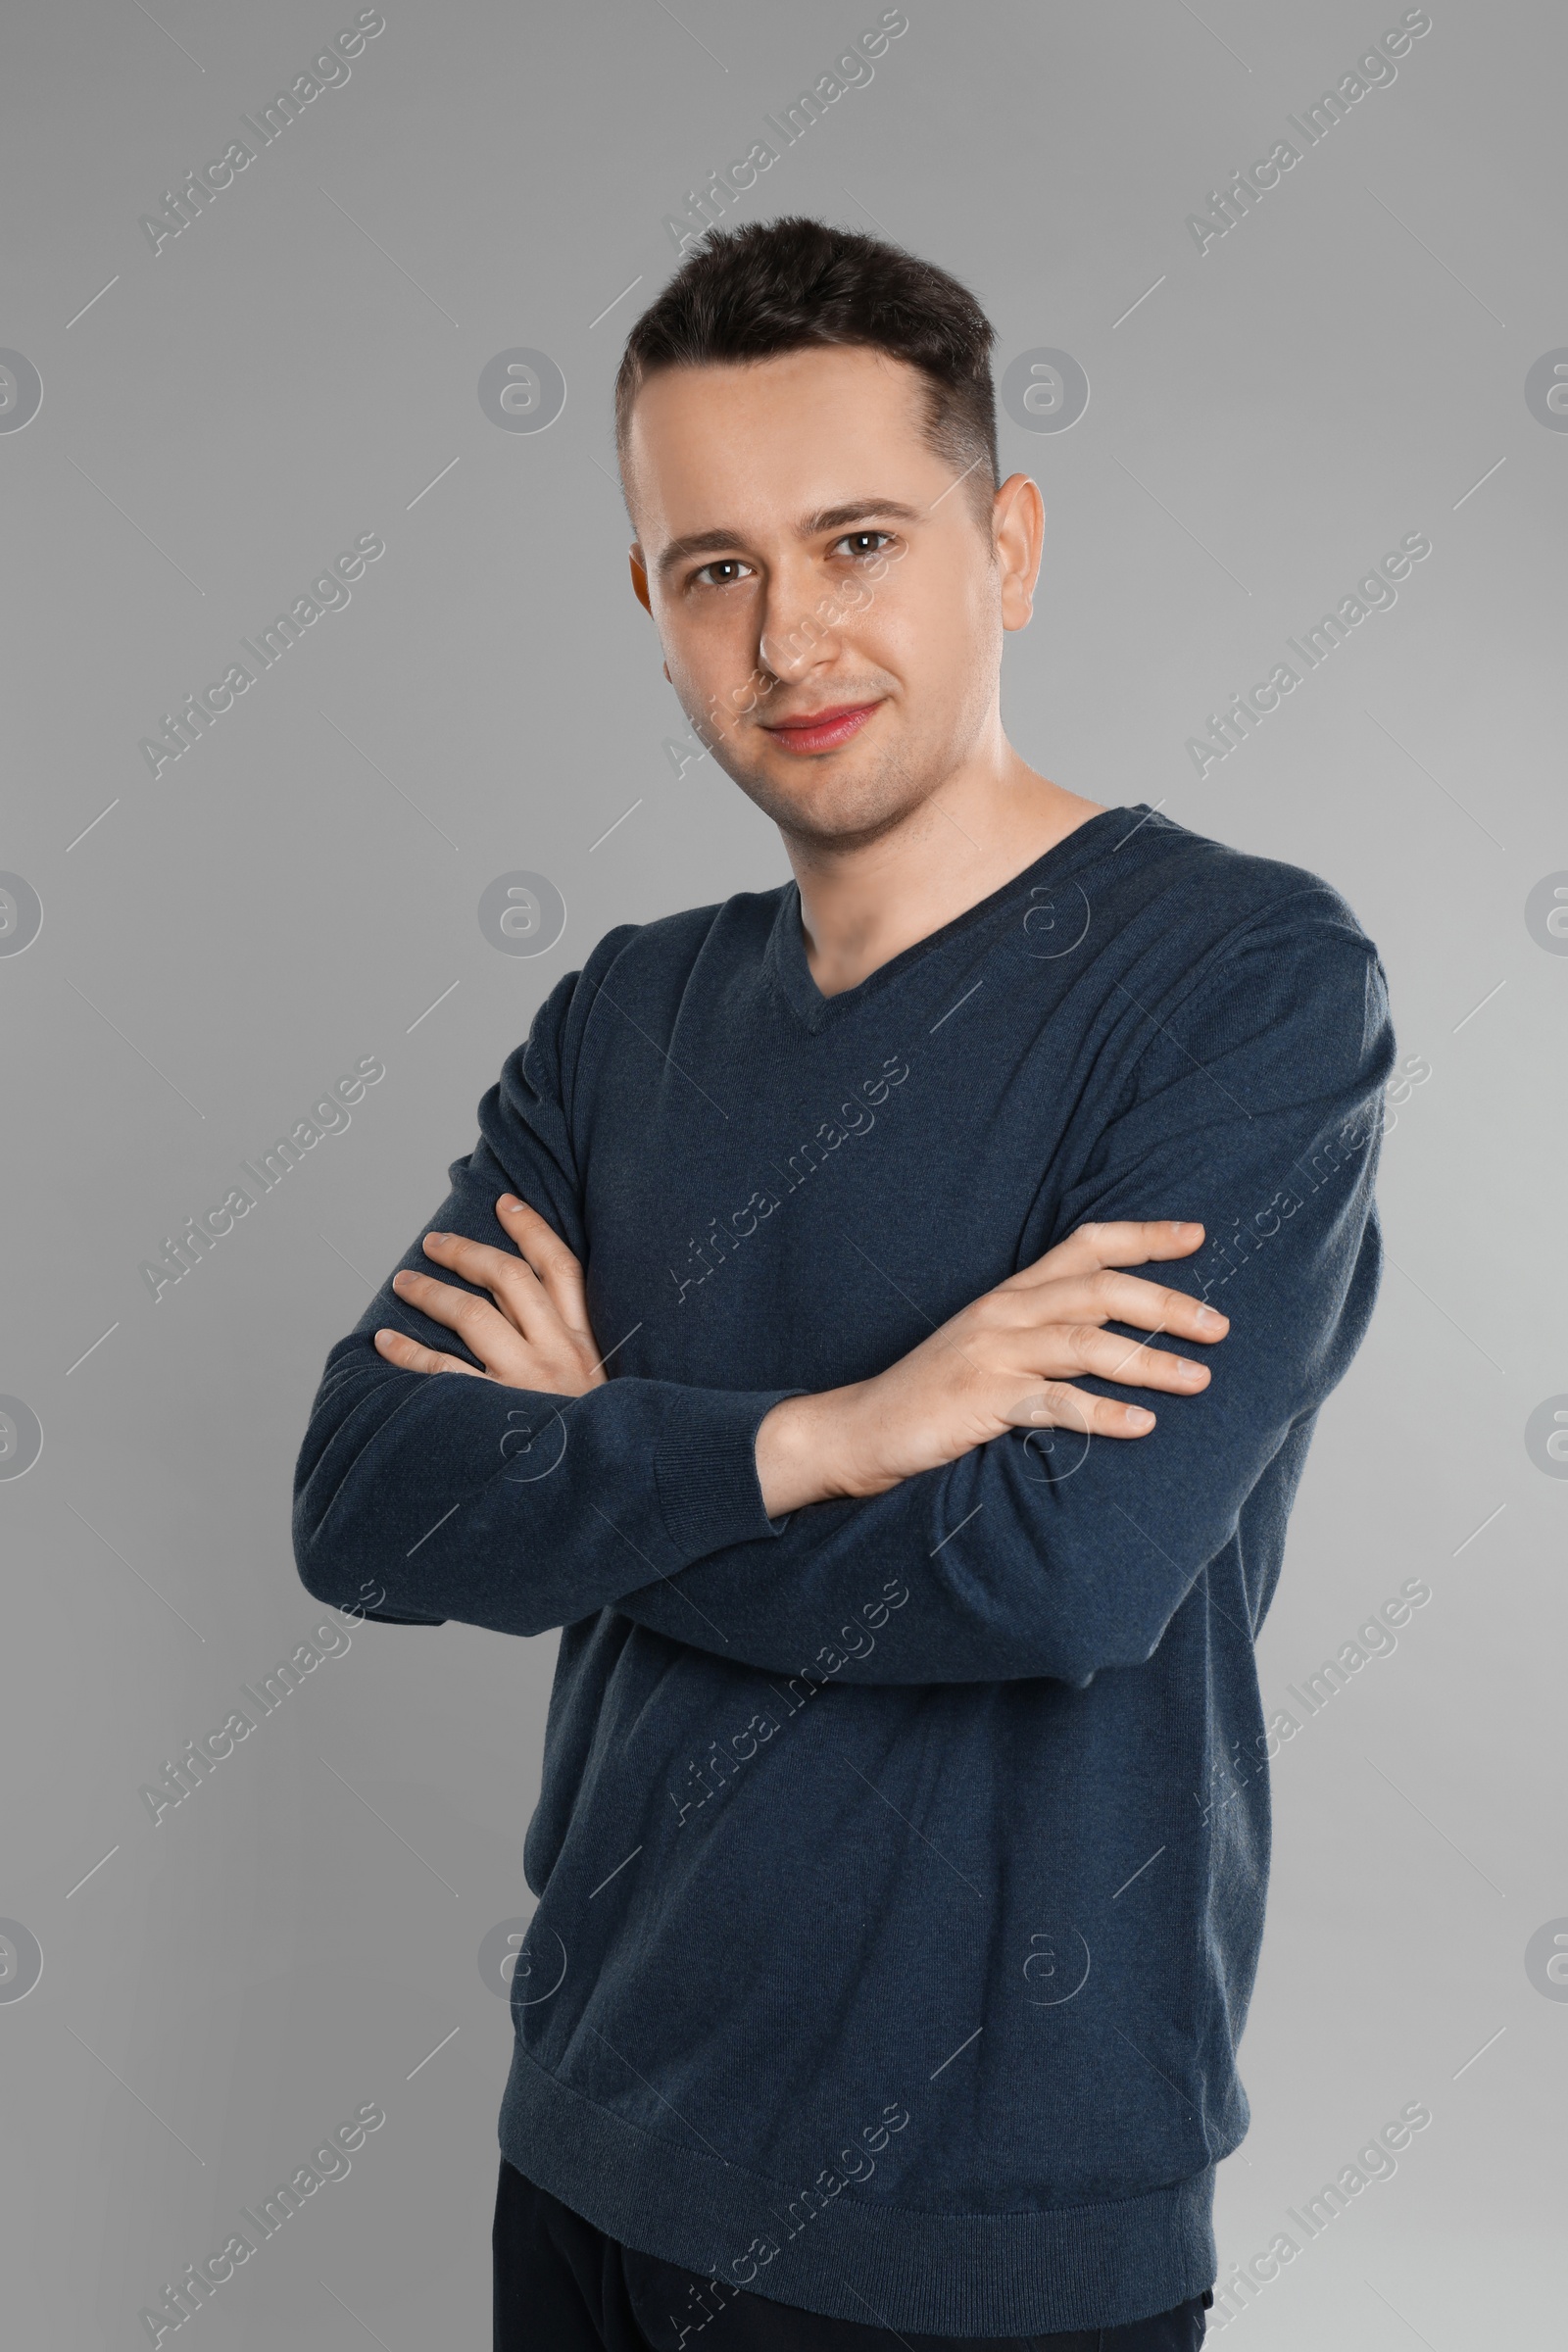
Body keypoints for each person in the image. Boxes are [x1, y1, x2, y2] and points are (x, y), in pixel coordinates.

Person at [292, 217, 1394, 2348]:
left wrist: (606, 1466)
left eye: (859, 539)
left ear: (1006, 544)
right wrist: (831, 1436)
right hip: (589, 2143)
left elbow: (1058, 1580)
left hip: (981, 2224)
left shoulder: (1239, 989)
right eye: (714, 568)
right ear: (652, 605)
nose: (787, 635)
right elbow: (365, 1503)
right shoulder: (623, 1018)